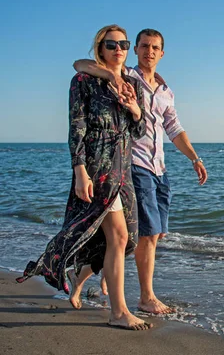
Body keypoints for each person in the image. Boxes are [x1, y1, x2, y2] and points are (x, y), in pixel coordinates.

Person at [17, 25, 152, 330]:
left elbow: (140, 132)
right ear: (100, 48)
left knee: (127, 240)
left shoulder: (135, 85)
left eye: (123, 44)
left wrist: (135, 111)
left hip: (124, 167)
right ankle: (118, 312)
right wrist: (80, 170)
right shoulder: (84, 80)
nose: (118, 49)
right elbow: (76, 126)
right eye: (111, 44)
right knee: (117, 236)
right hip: (97, 165)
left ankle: (78, 279)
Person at [73, 28, 208, 314]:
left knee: (150, 236)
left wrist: (194, 158)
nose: (149, 51)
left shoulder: (165, 91)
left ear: (162, 53)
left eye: (155, 47)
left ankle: (82, 274)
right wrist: (111, 75)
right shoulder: (125, 76)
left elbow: (174, 128)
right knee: (145, 235)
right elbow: (81, 65)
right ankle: (146, 297)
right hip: (132, 165)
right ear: (135, 49)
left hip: (159, 166)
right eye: (144, 46)